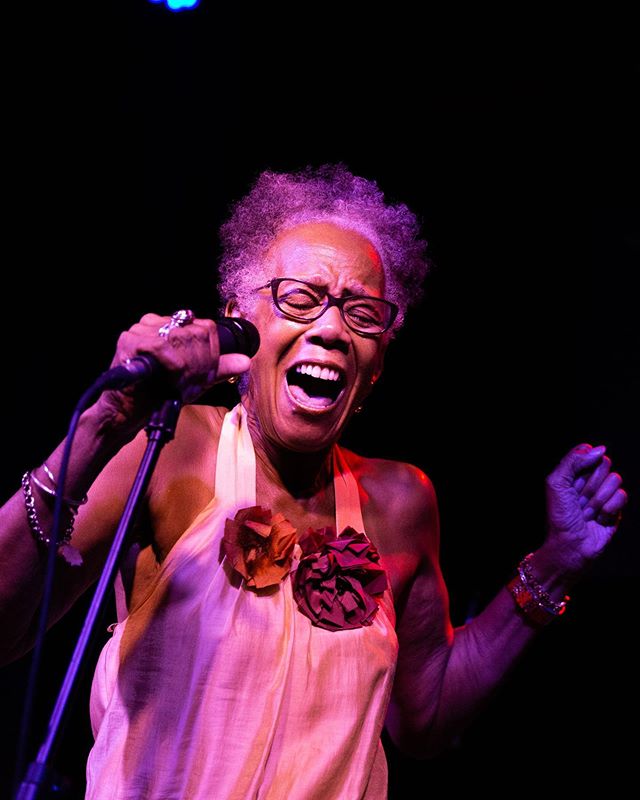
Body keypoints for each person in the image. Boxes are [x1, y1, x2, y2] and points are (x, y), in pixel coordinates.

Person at [0, 165, 627, 799]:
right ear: (242, 321)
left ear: (378, 359)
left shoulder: (400, 503)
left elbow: (423, 716)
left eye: (361, 313)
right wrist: (105, 421)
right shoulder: (171, 450)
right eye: (299, 298)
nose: (330, 329)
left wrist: (555, 565)